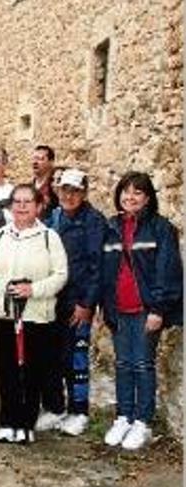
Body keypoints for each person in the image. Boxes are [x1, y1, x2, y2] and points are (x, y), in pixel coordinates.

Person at [100, 172, 183, 450]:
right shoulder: (111, 226)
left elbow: (168, 271)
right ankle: (124, 416)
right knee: (123, 364)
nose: (130, 197)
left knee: (143, 364)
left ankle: (143, 422)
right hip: (118, 310)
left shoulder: (160, 228)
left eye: (137, 192)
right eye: (126, 191)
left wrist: (159, 309)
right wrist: (104, 306)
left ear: (147, 197)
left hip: (146, 310)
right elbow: (105, 271)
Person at [0, 184, 67, 445]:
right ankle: (8, 420)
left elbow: (61, 275)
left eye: (27, 202)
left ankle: (26, 422)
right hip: (5, 315)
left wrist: (34, 289)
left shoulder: (48, 237)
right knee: (7, 370)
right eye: (17, 202)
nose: (21, 206)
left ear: (38, 206)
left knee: (33, 372)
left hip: (36, 315)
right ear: (10, 206)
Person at [36, 168, 105, 436]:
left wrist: (87, 304)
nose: (69, 195)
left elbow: (96, 266)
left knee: (76, 359)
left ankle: (80, 411)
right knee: (52, 358)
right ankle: (55, 408)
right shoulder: (52, 217)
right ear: (57, 190)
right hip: (52, 301)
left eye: (75, 190)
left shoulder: (94, 221)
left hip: (77, 302)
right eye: (65, 189)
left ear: (84, 193)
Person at [32, 145, 58, 219]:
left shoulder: (55, 186)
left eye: (40, 159)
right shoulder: (31, 188)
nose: (35, 162)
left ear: (51, 162)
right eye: (34, 158)